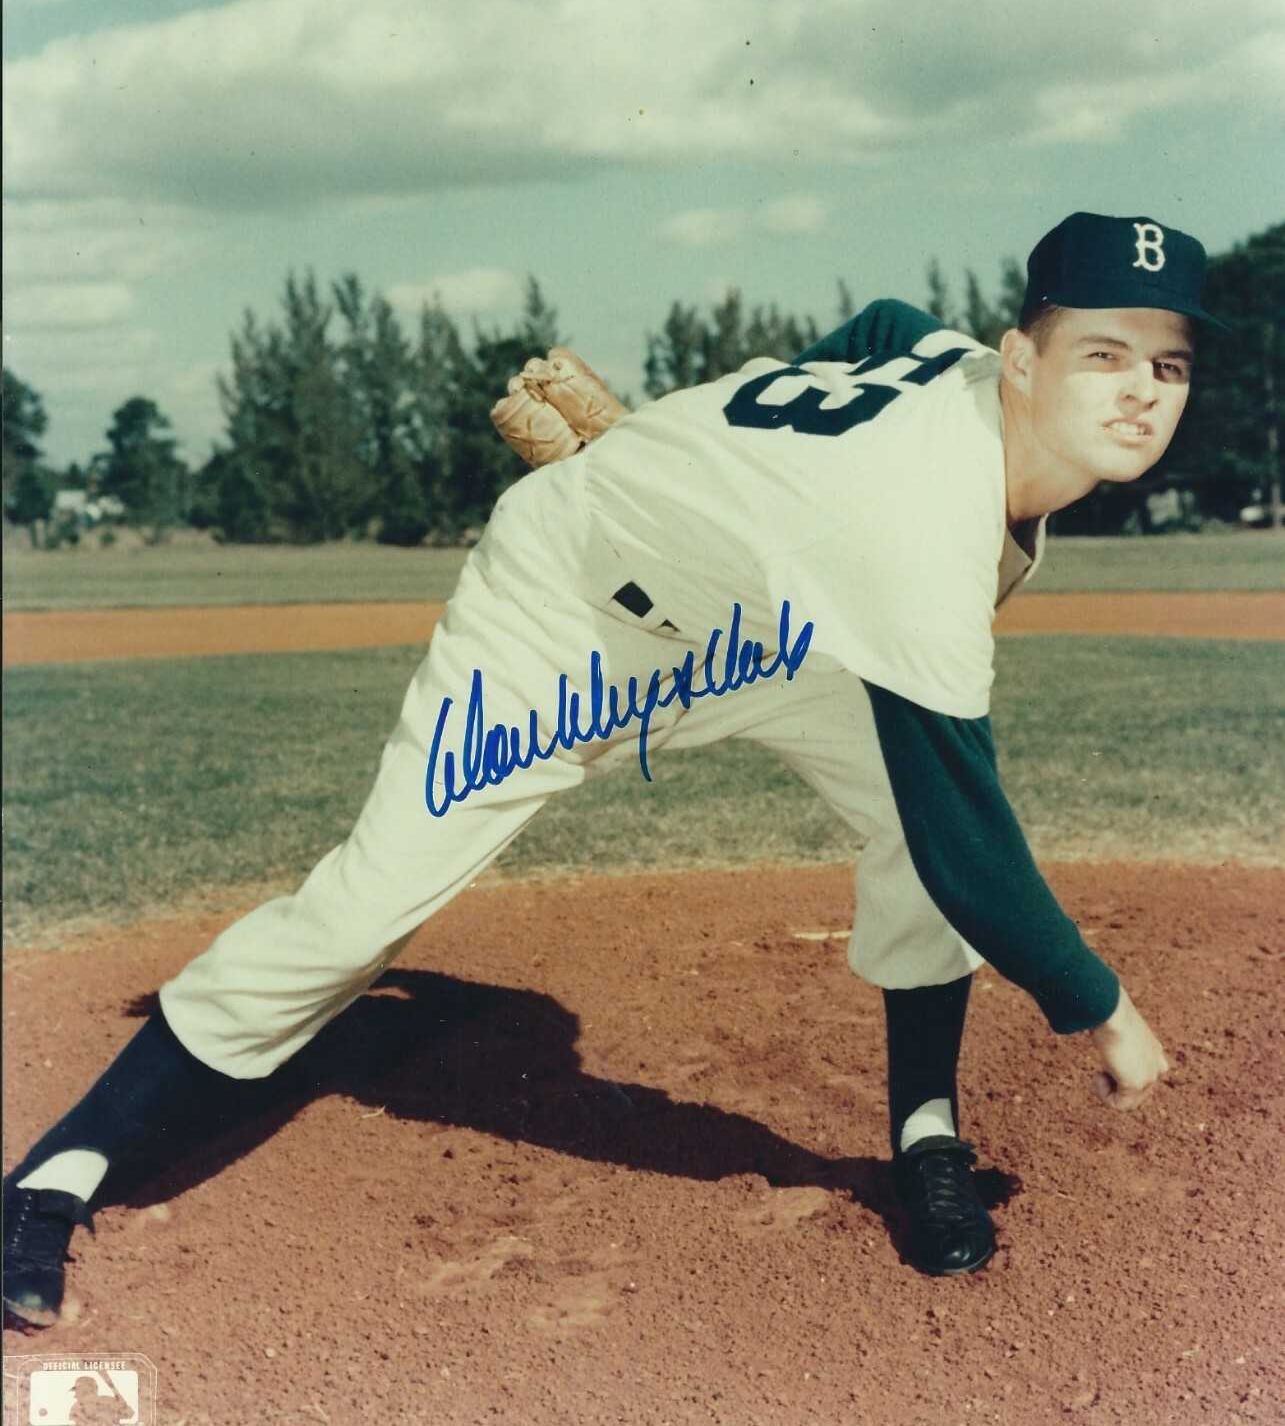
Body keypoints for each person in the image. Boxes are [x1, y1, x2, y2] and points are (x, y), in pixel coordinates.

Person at [2, 211, 1223, 1326]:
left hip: (767, 635)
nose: (1138, 392)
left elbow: (882, 328)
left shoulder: (949, 363)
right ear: (1020, 360)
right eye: (1100, 355)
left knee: (907, 822)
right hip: (564, 623)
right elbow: (978, 846)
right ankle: (52, 1175)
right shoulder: (911, 523)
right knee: (362, 909)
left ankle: (925, 1136)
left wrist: (711, 460)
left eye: (1165, 364)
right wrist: (1100, 1008)